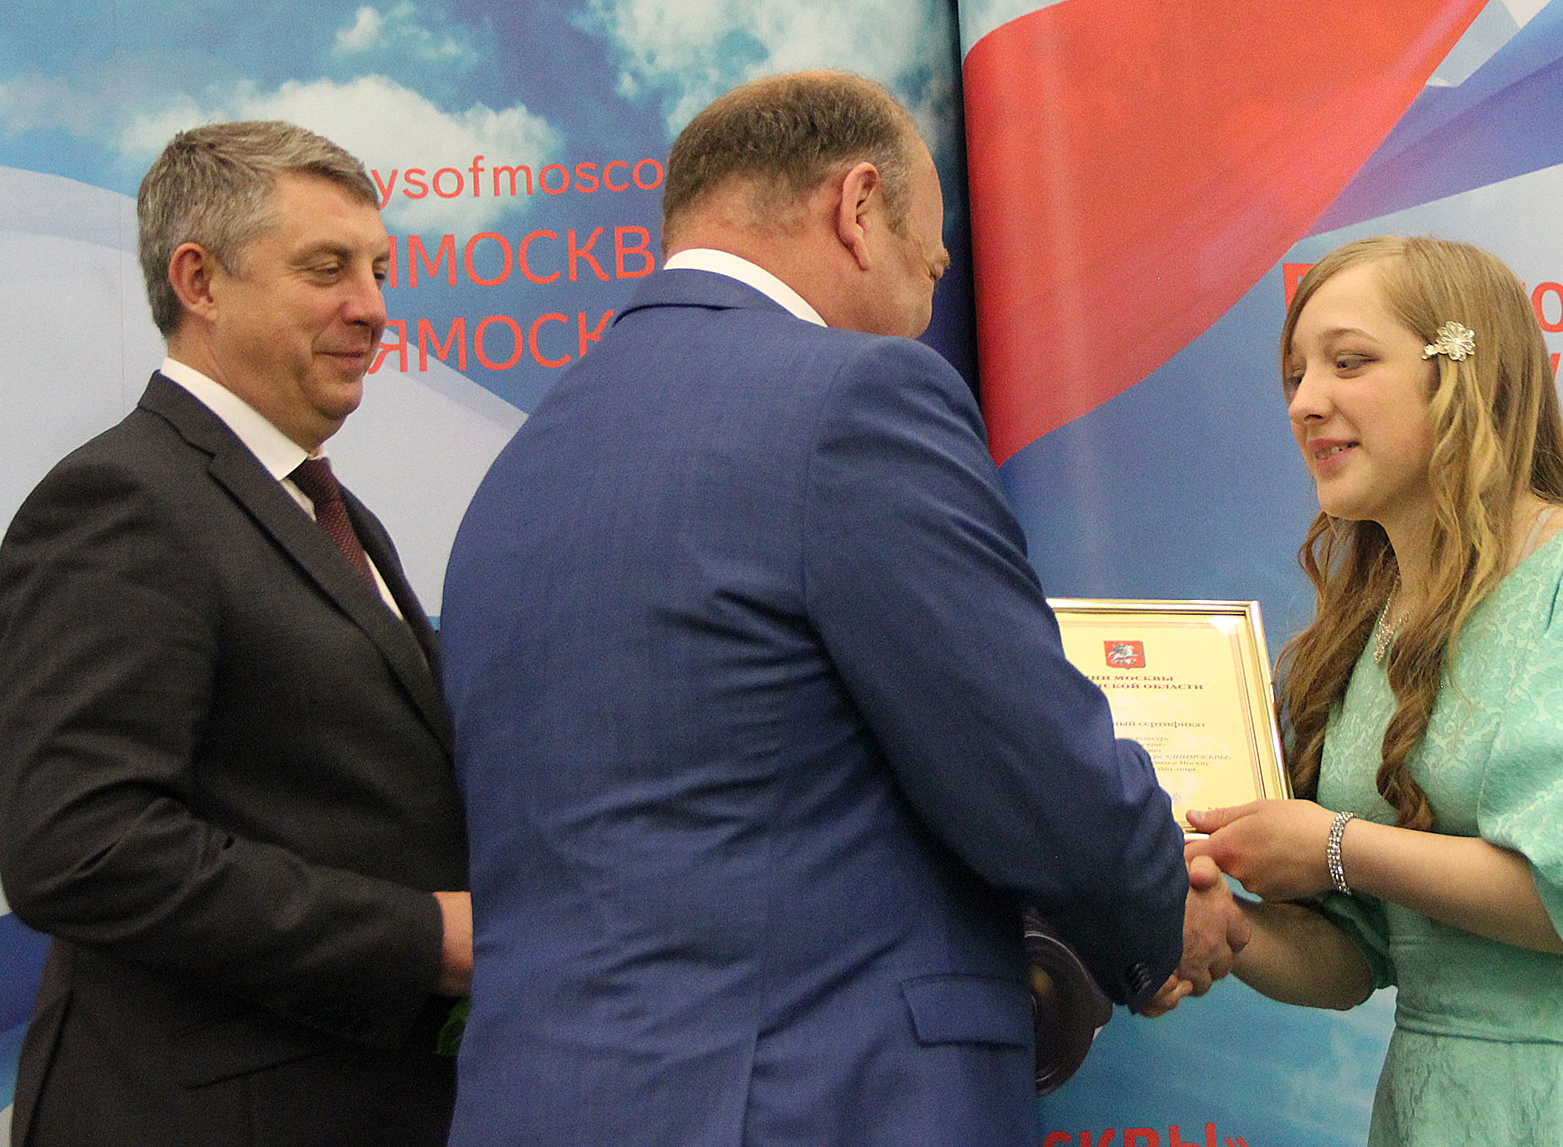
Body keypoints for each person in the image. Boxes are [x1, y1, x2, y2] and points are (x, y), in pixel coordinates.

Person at [439, 71, 1244, 1147]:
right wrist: (1161, 909)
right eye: (931, 266)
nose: (924, 310)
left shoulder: (522, 467)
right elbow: (1022, 758)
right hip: (807, 1105)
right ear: (858, 208)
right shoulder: (859, 398)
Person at [1186, 235, 1563, 1145]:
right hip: (1434, 1110)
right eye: (1296, 376)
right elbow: (1355, 956)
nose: (1304, 402)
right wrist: (1223, 922)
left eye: (1349, 362)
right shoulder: (1366, 630)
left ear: (1464, 371)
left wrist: (1333, 846)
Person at [0, 121, 470, 1147]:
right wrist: (426, 937)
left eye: (380, 271)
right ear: (199, 281)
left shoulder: (319, 506)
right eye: (327, 269)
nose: (373, 307)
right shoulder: (123, 499)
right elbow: (82, 848)